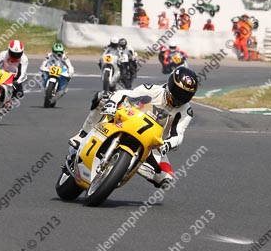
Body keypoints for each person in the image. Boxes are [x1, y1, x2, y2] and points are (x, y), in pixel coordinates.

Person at [68, 66, 199, 188]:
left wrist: (167, 145)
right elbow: (126, 94)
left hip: (152, 144)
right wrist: (113, 103)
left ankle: (126, 168)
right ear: (170, 84)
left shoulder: (186, 112)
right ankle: (82, 135)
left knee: (166, 179)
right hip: (127, 121)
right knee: (102, 98)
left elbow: (178, 135)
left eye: (185, 95)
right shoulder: (153, 90)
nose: (179, 98)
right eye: (177, 92)